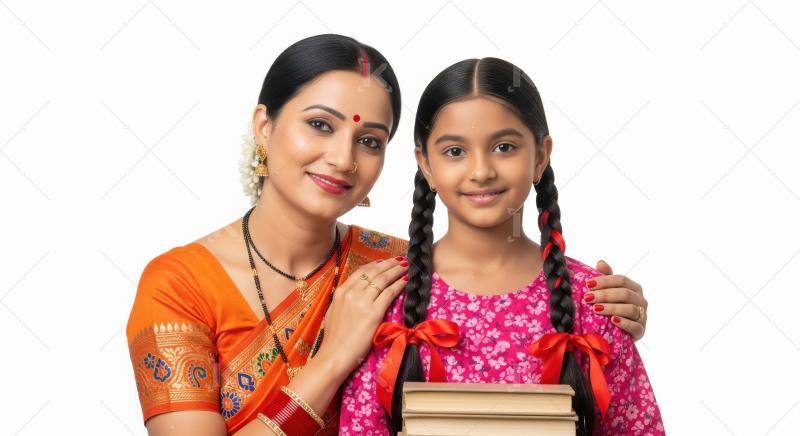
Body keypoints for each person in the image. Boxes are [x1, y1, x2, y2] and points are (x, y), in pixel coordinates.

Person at [127, 35, 652, 436]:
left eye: (370, 140)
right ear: (264, 126)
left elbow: (493, 283)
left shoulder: (396, 274)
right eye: (320, 124)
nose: (343, 158)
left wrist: (601, 304)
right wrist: (333, 360)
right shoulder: (179, 286)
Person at [339, 58, 665, 435]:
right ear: (425, 165)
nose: (481, 171)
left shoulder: (593, 303)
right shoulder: (385, 301)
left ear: (540, 157)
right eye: (455, 151)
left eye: (504, 147)